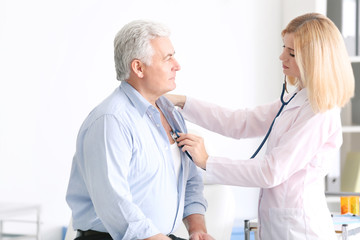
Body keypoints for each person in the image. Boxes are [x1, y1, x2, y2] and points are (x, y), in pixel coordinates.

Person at [167, 13, 355, 240]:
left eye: (291, 53)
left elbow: (271, 171)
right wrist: (182, 101)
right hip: (279, 225)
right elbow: (240, 122)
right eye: (284, 47)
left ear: (314, 60)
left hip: (300, 230)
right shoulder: (297, 100)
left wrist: (207, 161)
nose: (281, 56)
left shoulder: (320, 113)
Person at [66, 20, 214, 240]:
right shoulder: (111, 120)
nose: (177, 65)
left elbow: (190, 180)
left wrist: (198, 230)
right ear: (138, 67)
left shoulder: (171, 114)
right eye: (167, 58)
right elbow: (114, 202)